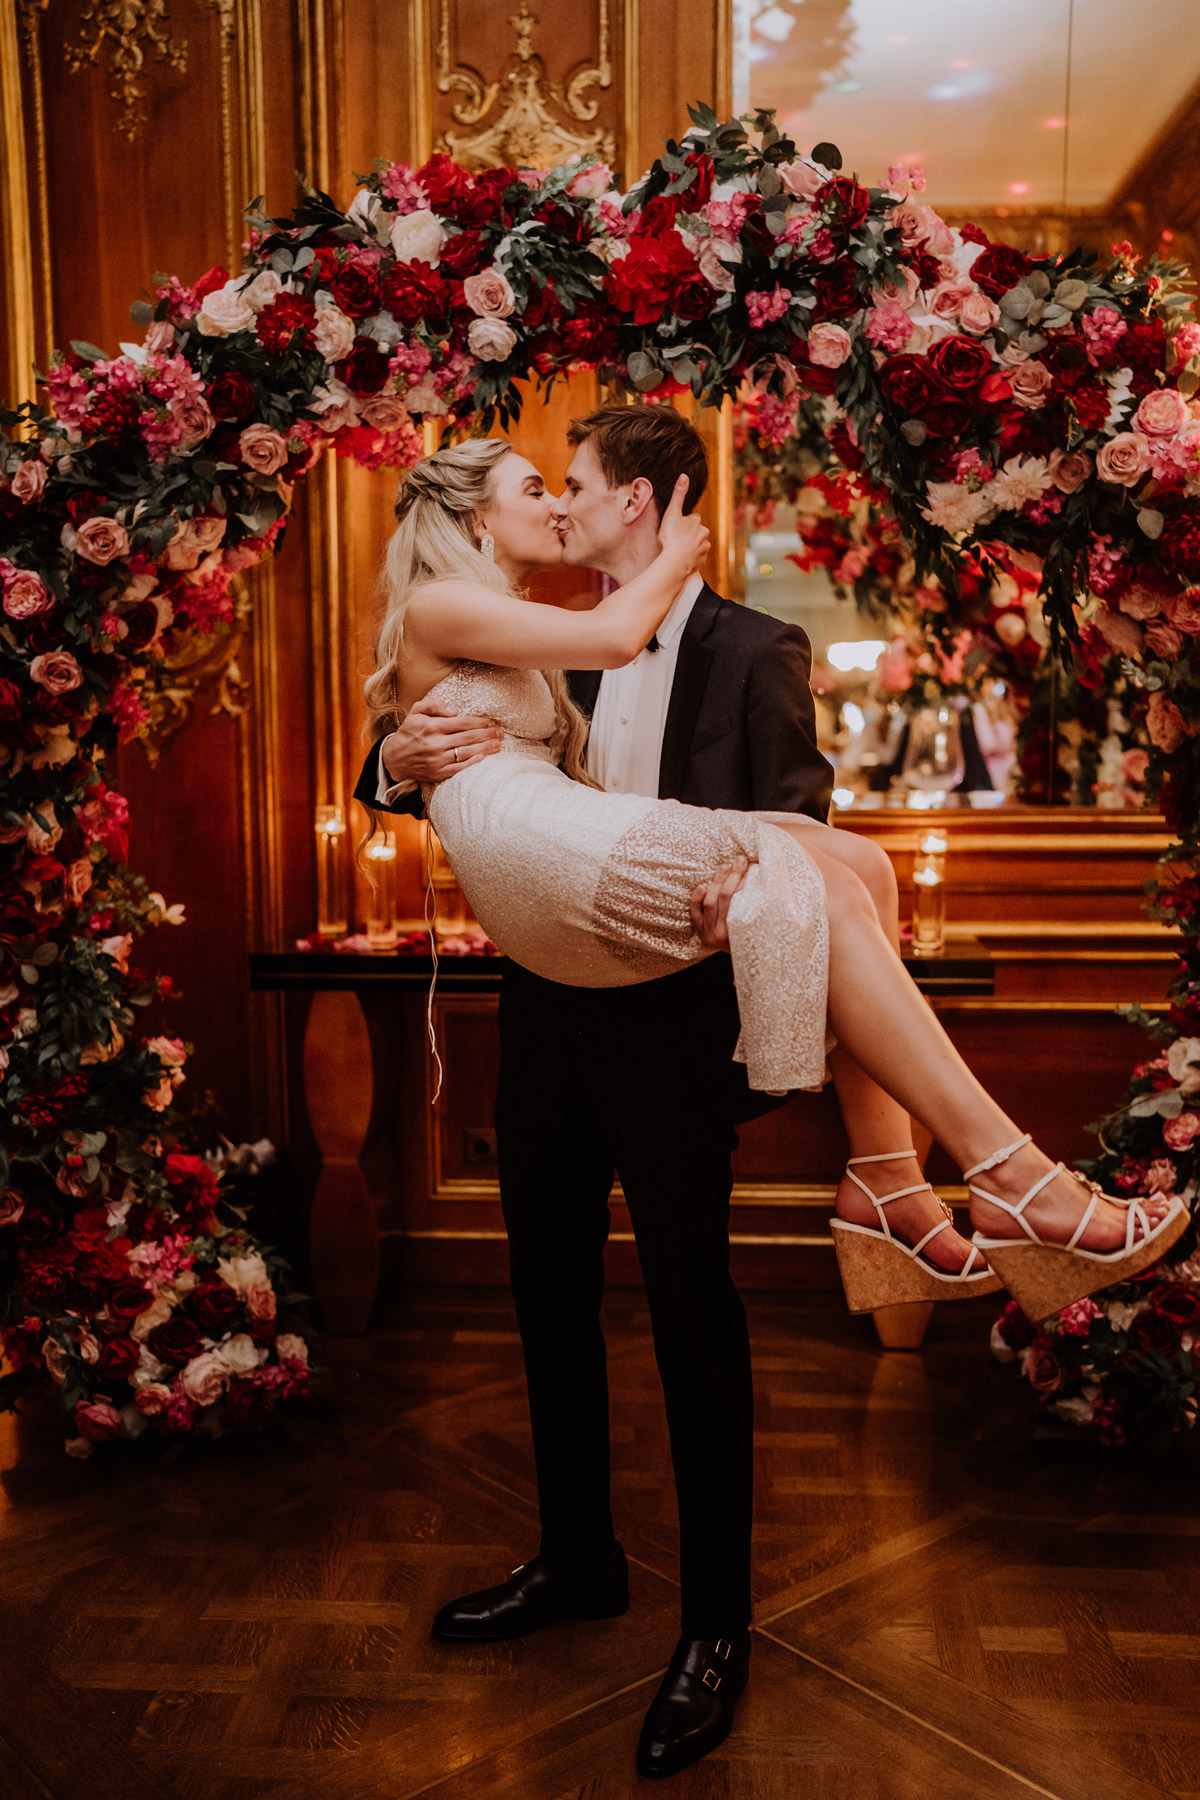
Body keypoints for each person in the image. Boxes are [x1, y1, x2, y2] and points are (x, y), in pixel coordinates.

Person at [354, 418, 1183, 1780]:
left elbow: (791, 811)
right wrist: (397, 757)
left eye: (576, 487)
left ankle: (718, 1629)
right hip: (553, 1001)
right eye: (537, 489)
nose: (560, 507)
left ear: (640, 500)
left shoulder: (743, 643)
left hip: (676, 1014)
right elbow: (424, 745)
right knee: (545, 1294)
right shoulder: (524, 622)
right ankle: (577, 1557)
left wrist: (761, 878)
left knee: (694, 1307)